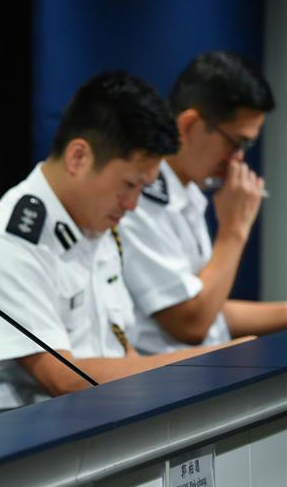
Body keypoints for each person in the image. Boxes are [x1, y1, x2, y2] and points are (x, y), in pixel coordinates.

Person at [0, 71, 238, 417]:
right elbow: (63, 379)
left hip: (94, 421)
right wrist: (208, 364)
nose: (132, 204)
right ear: (78, 157)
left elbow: (120, 351)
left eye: (142, 188)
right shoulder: (6, 243)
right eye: (129, 184)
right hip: (15, 443)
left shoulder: (96, 225)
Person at [119, 51, 286, 353]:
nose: (239, 159)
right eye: (237, 142)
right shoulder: (137, 200)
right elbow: (192, 323)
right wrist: (234, 231)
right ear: (190, 125)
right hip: (163, 389)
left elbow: (213, 310)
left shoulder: (191, 190)